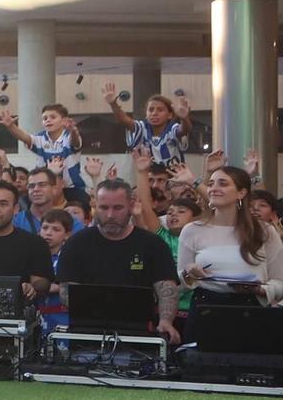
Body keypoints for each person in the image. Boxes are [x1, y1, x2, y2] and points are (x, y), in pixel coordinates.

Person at [55, 179, 179, 342]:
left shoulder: (152, 244)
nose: (110, 215)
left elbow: (166, 287)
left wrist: (165, 321)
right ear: (95, 207)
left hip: (140, 335)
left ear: (131, 206)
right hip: (87, 334)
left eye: (118, 208)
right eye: (104, 208)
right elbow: (66, 290)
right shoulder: (76, 243)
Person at [176, 165, 283, 307]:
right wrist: (190, 273)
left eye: (223, 184)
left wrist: (261, 290)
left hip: (250, 308)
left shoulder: (265, 230)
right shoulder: (192, 230)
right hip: (205, 306)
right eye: (211, 184)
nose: (214, 188)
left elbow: (280, 282)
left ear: (241, 193)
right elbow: (184, 279)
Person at [103, 82, 190, 165]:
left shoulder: (172, 129)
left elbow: (184, 129)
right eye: (151, 110)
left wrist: (184, 119)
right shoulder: (142, 128)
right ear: (146, 114)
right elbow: (125, 121)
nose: (154, 113)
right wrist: (113, 104)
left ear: (170, 115)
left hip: (173, 178)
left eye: (160, 110)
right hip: (147, 178)